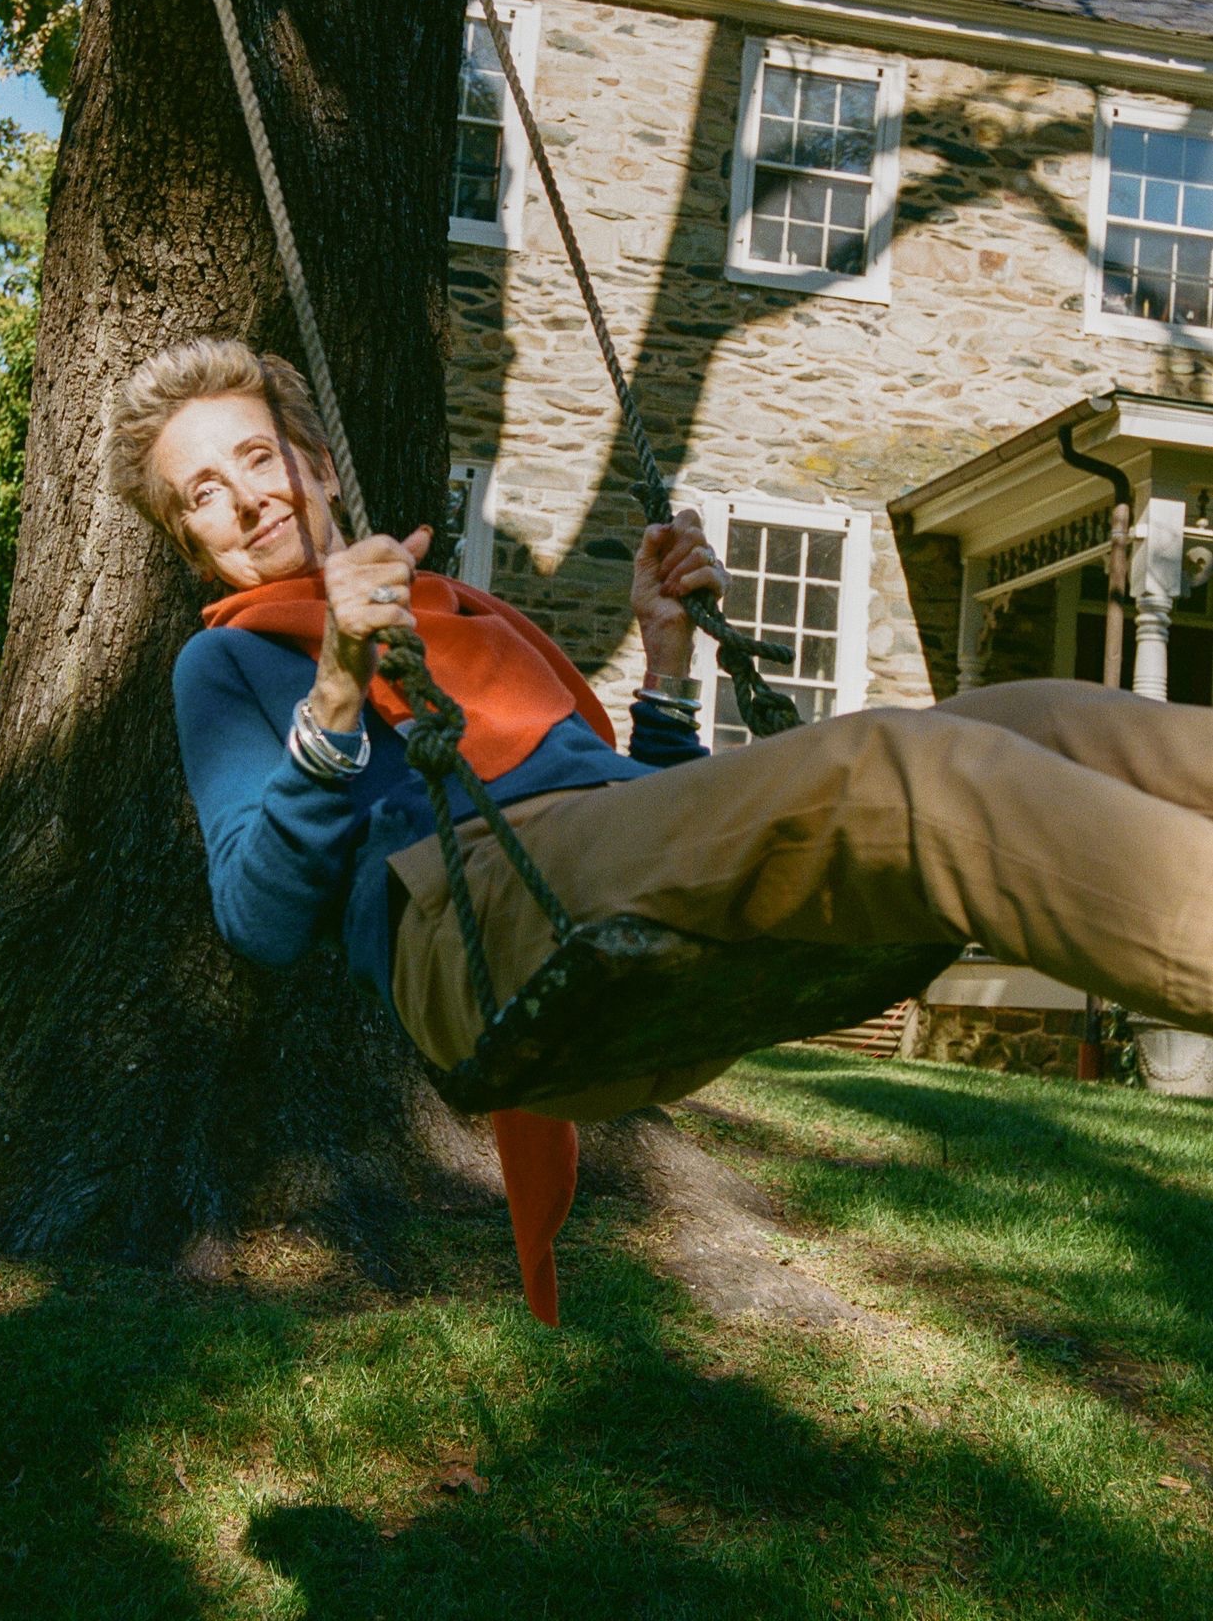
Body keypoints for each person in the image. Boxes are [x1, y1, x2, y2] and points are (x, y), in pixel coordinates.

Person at [112, 339, 1213, 1308]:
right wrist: (339, 685)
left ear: (312, 463)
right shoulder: (229, 659)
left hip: (589, 895)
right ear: (190, 542)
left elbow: (639, 823)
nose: (246, 498)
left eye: (257, 458)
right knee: (907, 766)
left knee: (1035, 715)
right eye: (200, 493)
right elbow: (257, 920)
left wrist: (669, 657)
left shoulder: (466, 614)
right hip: (478, 933)